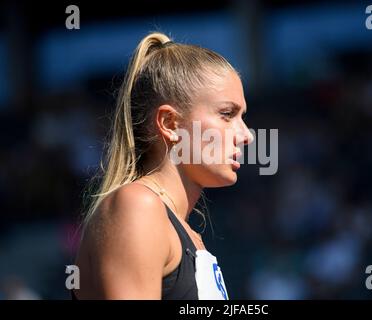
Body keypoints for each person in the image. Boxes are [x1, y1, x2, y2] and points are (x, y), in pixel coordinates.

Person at [72, 32, 254, 299]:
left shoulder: (186, 232)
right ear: (169, 124)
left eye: (242, 116)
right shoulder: (136, 206)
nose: (247, 135)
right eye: (227, 114)